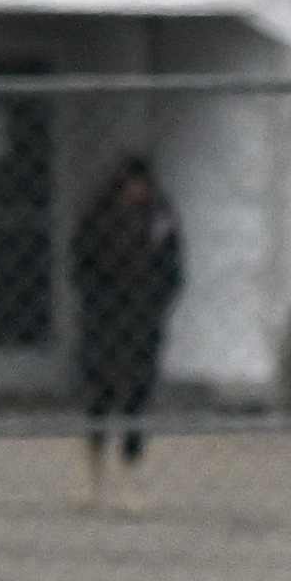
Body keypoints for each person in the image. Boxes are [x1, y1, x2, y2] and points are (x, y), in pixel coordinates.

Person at [68, 152, 183, 506]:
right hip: (103, 320)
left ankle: (131, 472)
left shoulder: (161, 222)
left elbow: (173, 271)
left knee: (137, 397)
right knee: (98, 394)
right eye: (131, 184)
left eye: (142, 185)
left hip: (142, 321)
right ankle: (93, 473)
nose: (137, 191)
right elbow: (79, 266)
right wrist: (97, 302)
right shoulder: (98, 219)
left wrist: (156, 306)